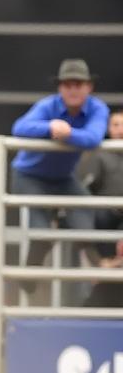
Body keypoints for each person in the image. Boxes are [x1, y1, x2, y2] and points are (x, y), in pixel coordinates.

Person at [10, 59, 108, 296]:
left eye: (79, 84)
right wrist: (50, 127)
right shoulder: (48, 106)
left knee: (86, 222)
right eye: (67, 84)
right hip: (30, 176)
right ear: (60, 88)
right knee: (42, 233)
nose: (73, 89)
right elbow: (20, 127)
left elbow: (94, 137)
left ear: (89, 87)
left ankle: (65, 225)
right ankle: (28, 278)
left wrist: (67, 133)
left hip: (63, 179)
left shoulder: (97, 109)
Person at [78, 107, 123, 261]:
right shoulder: (99, 153)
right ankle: (101, 265)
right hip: (106, 215)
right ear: (108, 128)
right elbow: (86, 186)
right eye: (116, 125)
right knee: (93, 218)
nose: (120, 130)